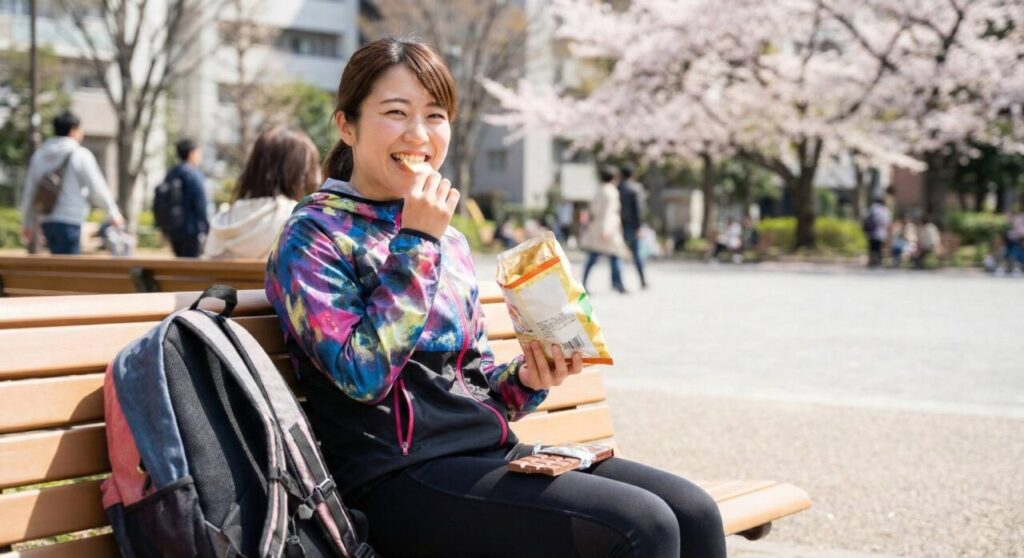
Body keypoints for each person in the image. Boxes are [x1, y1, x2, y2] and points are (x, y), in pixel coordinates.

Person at [265, 38, 724, 557]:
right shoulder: (314, 234)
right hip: (394, 477)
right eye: (396, 113)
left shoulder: (447, 238)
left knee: (694, 511)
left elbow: (474, 384)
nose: (419, 134)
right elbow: (361, 377)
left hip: (482, 453)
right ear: (347, 126)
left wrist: (529, 378)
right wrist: (416, 244)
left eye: (435, 116)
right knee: (644, 525)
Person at [202, 125, 321, 260]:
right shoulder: (297, 219)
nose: (317, 176)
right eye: (314, 165)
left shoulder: (224, 220)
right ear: (300, 173)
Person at [19, 111, 124, 254]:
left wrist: (27, 222)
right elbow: (97, 188)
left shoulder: (39, 155)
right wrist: (113, 212)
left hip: (46, 219)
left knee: (57, 264)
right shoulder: (80, 154)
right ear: (73, 130)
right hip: (70, 220)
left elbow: (30, 191)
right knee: (69, 266)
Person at [580, 166, 631, 294]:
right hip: (608, 228)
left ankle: (583, 283)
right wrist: (607, 229)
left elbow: (592, 210)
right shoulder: (612, 192)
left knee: (592, 257)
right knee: (615, 256)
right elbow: (610, 212)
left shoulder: (598, 190)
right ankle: (618, 283)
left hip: (596, 226)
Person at [156, 139, 209, 257]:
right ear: (191, 153)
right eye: (198, 152)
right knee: (192, 265)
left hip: (174, 228)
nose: (200, 156)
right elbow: (201, 203)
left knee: (180, 262)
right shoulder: (193, 174)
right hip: (192, 230)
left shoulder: (171, 173)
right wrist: (207, 227)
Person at [618, 165, 648, 288]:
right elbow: (639, 209)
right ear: (632, 174)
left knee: (618, 254)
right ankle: (642, 280)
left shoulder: (617, 187)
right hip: (633, 225)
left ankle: (618, 282)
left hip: (619, 225)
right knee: (637, 254)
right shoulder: (636, 188)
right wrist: (639, 226)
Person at [864, 196, 891, 267]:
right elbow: (887, 222)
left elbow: (865, 219)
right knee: (879, 248)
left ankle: (872, 261)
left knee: (872, 248)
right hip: (881, 233)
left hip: (871, 232)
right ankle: (878, 261)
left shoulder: (872, 209)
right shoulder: (885, 210)